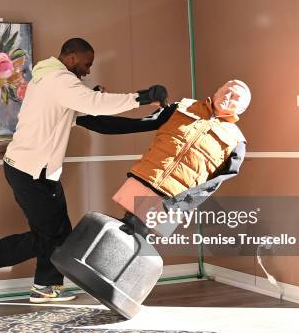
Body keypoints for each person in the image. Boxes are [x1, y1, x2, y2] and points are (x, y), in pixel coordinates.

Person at [0, 38, 168, 303]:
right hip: (30, 170)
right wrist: (143, 97)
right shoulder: (59, 80)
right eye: (86, 63)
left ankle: (45, 287)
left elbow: (99, 121)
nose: (87, 70)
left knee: (58, 234)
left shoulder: (52, 82)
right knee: (50, 236)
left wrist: (151, 123)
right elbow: (95, 104)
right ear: (71, 57)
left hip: (37, 170)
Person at [76, 80, 251, 229]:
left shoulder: (237, 141)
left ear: (241, 109)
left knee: (138, 237)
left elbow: (215, 183)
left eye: (236, 97)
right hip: (145, 178)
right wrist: (85, 119)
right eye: (226, 91)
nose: (228, 97)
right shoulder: (182, 108)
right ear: (217, 91)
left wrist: (182, 204)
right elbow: (138, 124)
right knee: (125, 228)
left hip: (173, 198)